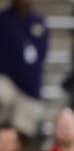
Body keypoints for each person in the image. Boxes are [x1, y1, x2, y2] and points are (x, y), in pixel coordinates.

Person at [0, 0, 49, 141]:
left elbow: (41, 54)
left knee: (26, 124)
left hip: (29, 87)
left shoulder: (39, 21)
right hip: (7, 80)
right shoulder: (3, 20)